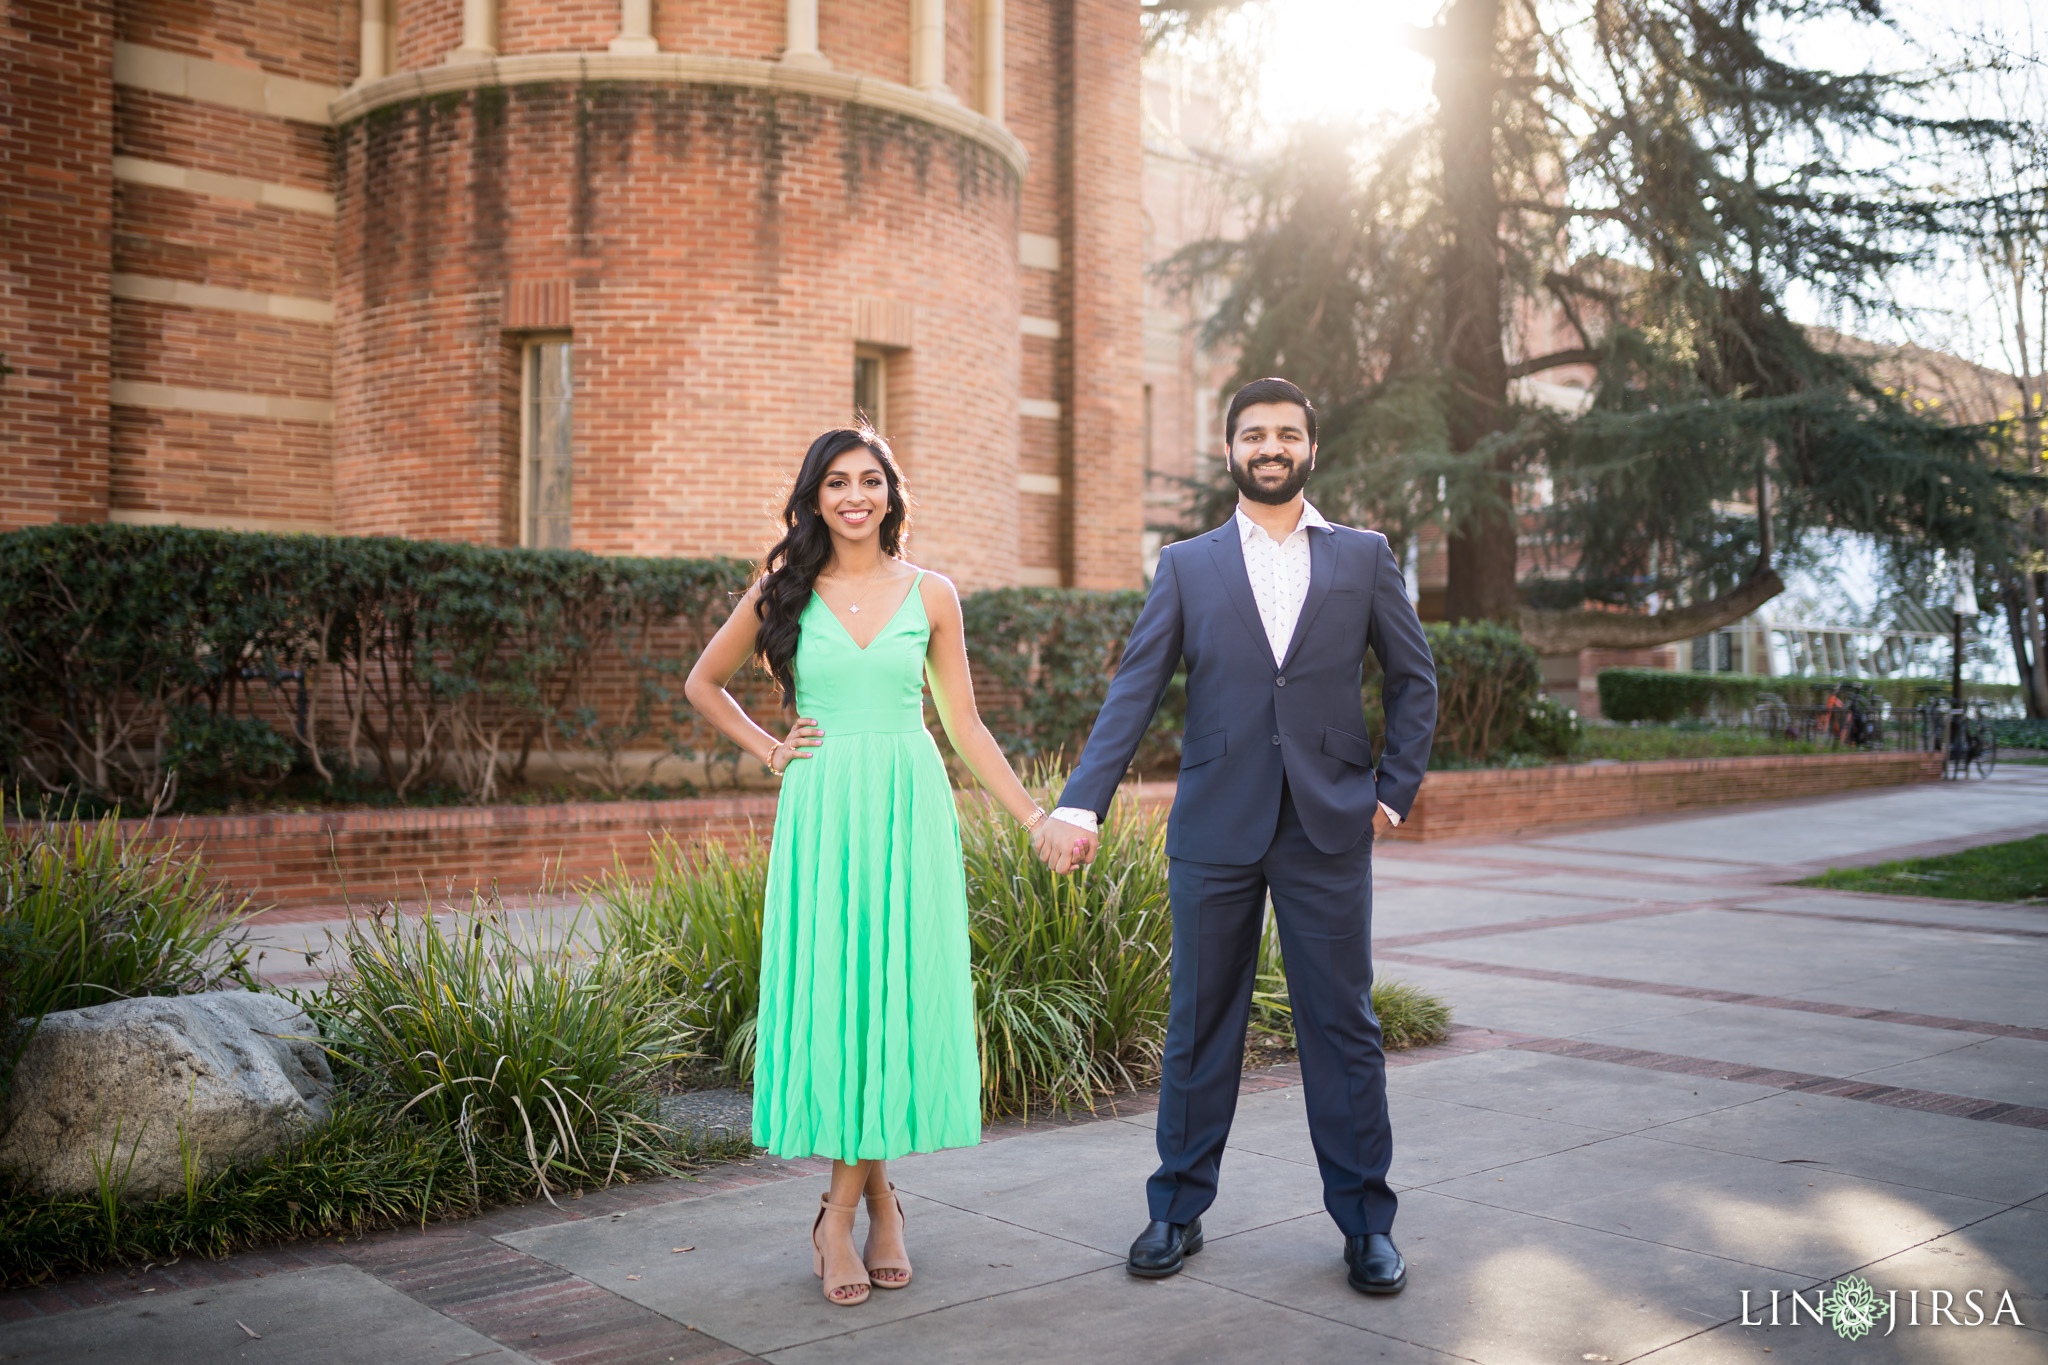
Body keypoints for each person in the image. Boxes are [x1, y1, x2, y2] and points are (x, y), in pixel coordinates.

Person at [1034, 377, 1436, 1295]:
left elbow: (1415, 680)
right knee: (1198, 1022)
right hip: (1215, 824)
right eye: (1253, 433)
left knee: (1344, 1027)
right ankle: (1176, 1208)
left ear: (1310, 449)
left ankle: (1367, 1224)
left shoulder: (1366, 556)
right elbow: (1134, 690)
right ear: (1230, 451)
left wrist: (1393, 794)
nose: (1270, 446)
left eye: (1287, 433)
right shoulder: (1187, 565)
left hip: (1329, 826)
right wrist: (1080, 802)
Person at [684, 427, 1057, 1307]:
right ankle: (873, 1204)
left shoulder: (932, 595)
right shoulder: (783, 591)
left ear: (892, 494)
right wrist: (771, 749)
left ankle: (841, 1211)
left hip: (907, 803)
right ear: (815, 497)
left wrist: (1035, 815)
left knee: (884, 993)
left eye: (871, 480)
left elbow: (963, 726)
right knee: (845, 995)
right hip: (822, 807)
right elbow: (704, 682)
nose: (855, 495)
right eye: (837, 482)